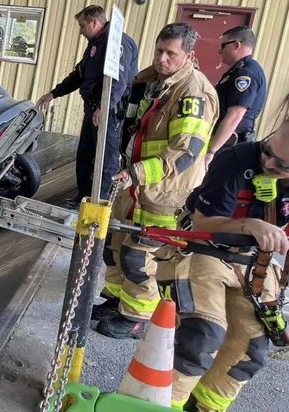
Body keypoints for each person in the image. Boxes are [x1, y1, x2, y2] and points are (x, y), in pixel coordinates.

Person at [92, 23, 219, 339]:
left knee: (139, 255)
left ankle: (138, 316)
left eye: (170, 54)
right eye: (159, 51)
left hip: (165, 191)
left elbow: (185, 151)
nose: (162, 59)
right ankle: (117, 301)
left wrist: (137, 173)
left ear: (189, 55)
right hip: (135, 186)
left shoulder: (193, 93)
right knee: (115, 246)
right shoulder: (152, 81)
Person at [166, 121, 289, 411]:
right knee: (202, 333)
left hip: (254, 261)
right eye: (268, 151)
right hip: (206, 248)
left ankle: (203, 406)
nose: (269, 163)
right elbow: (202, 225)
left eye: (282, 165)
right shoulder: (235, 160)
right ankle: (161, 403)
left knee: (252, 348)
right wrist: (249, 224)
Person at [36, 5, 138, 209]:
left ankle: (98, 204)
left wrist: (104, 107)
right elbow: (79, 75)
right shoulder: (95, 45)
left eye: (83, 26)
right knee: (85, 154)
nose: (81, 31)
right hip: (93, 108)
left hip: (110, 110)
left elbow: (118, 81)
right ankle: (83, 197)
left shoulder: (117, 43)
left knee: (105, 158)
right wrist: (54, 93)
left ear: (95, 22)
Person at [205, 26, 267, 166]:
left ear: (236, 45)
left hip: (231, 147)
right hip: (227, 144)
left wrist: (211, 151)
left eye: (223, 46)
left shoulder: (246, 74)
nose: (219, 51)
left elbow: (235, 115)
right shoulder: (240, 70)